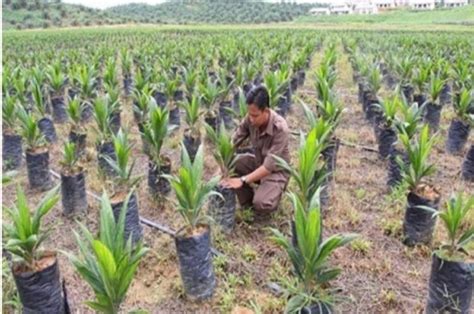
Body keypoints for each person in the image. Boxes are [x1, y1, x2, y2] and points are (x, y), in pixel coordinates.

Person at [221, 85, 290, 215]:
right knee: (233, 164)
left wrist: (242, 180)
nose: (251, 119)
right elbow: (234, 142)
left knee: (261, 203)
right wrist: (222, 167)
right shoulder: (250, 119)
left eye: (255, 115)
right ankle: (248, 200)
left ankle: (274, 191)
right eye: (249, 114)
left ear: (266, 110)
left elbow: (269, 167)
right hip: (258, 163)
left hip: (276, 171)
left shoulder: (280, 129)